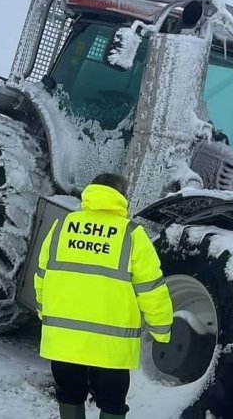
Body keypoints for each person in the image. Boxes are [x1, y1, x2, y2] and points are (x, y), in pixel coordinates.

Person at [34, 173, 174, 419]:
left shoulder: (62, 226)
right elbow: (151, 289)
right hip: (111, 348)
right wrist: (162, 330)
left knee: (69, 396)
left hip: (65, 342)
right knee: (112, 404)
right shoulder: (132, 234)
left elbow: (42, 277)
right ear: (122, 197)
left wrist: (44, 312)